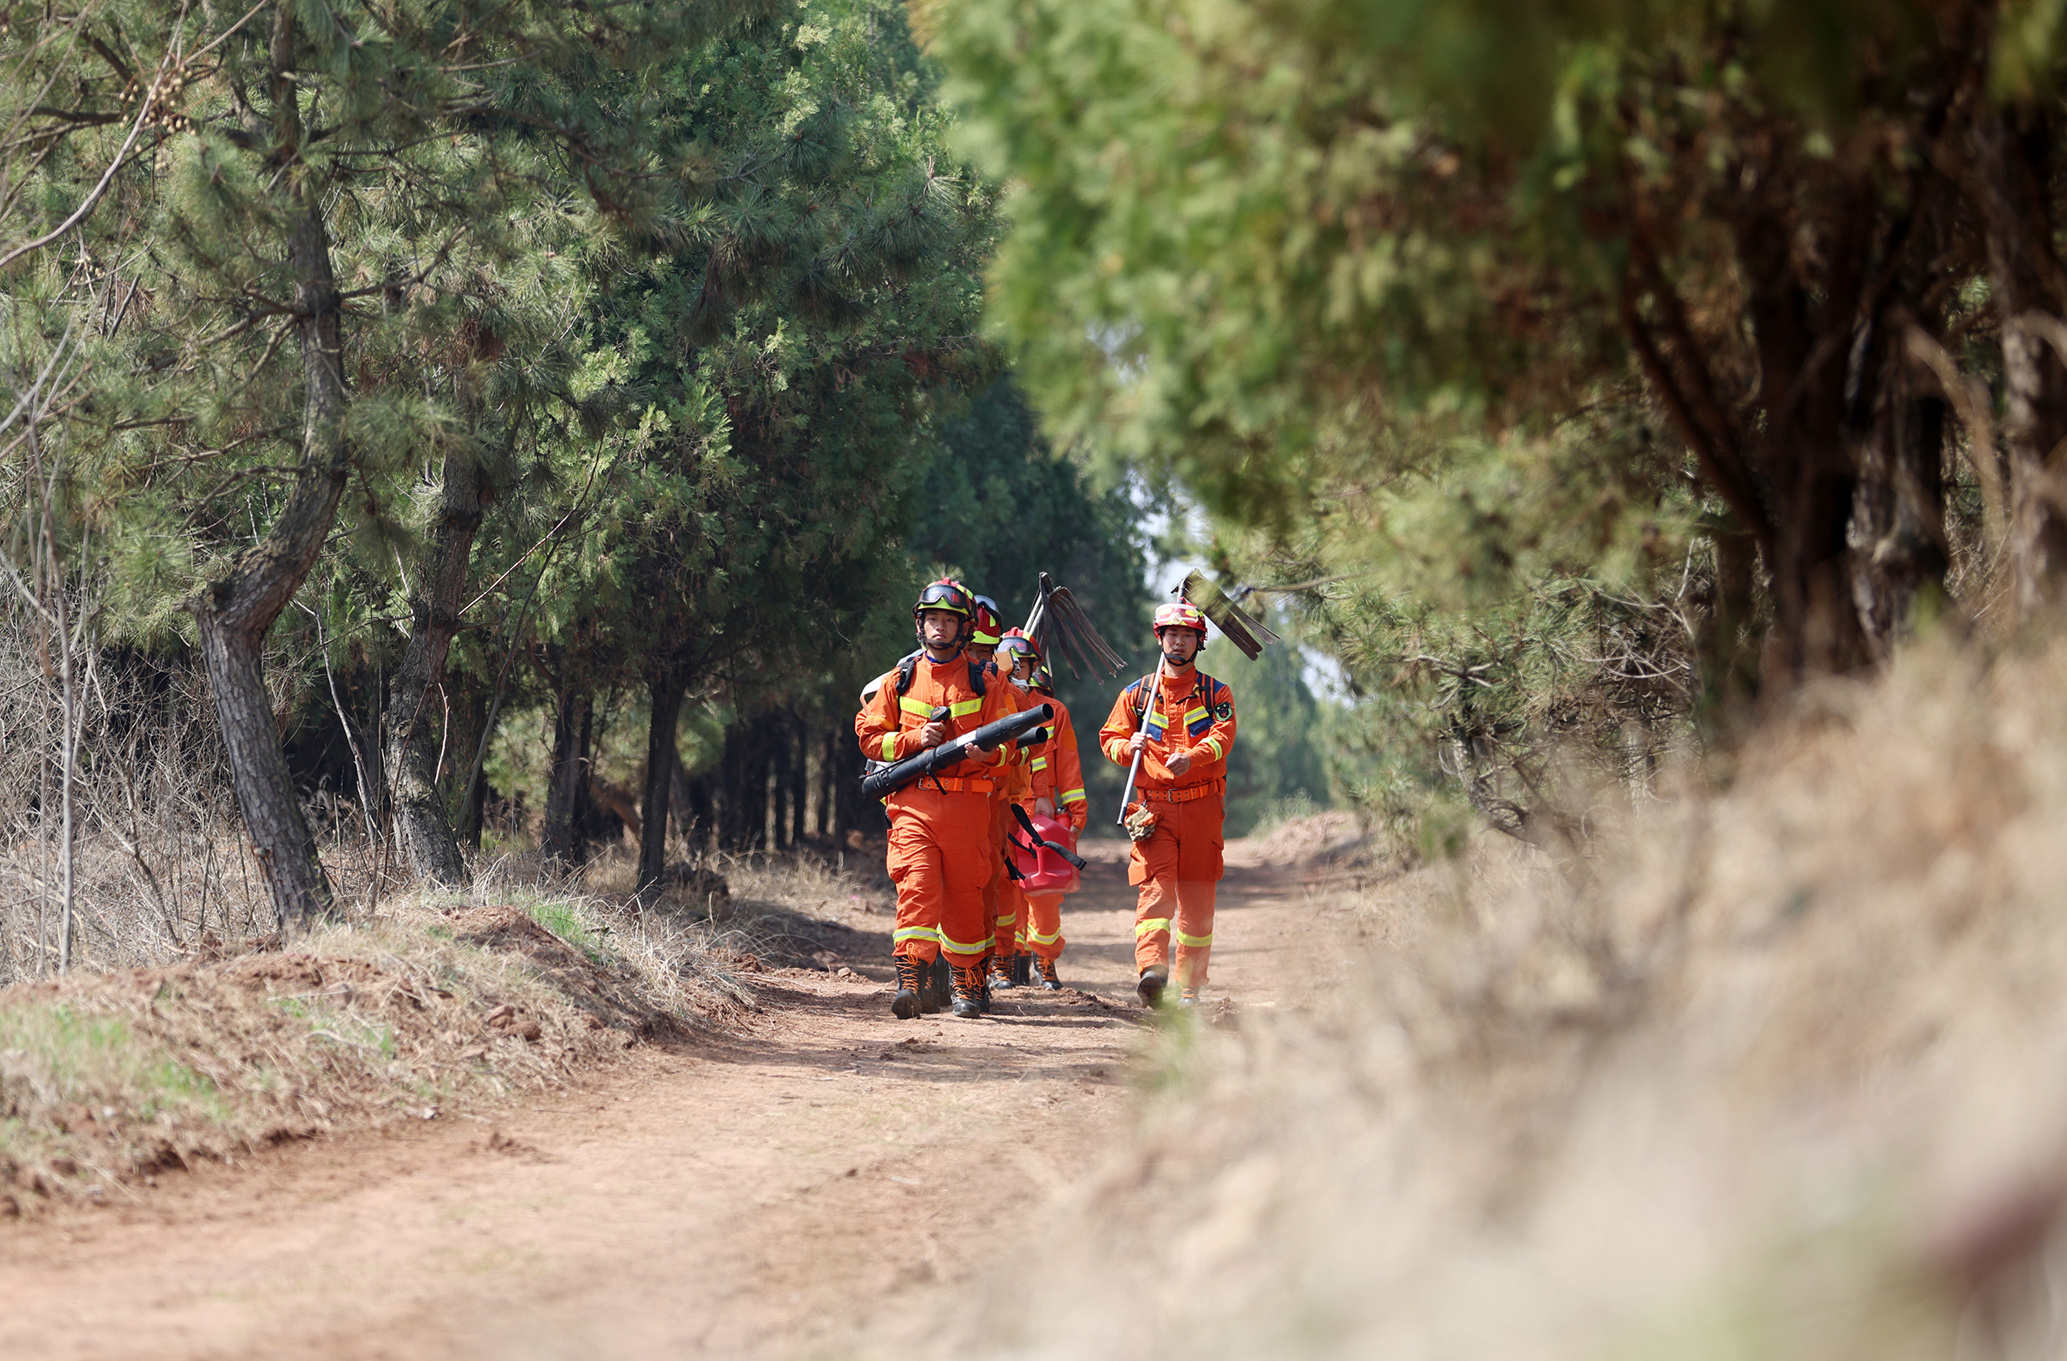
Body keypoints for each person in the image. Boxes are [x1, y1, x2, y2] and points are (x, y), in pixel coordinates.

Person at [855, 579, 1024, 1019]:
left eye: (949, 620)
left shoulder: (986, 681)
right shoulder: (900, 679)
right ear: (920, 623)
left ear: (963, 628)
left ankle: (968, 985)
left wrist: (990, 754)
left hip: (969, 808)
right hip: (913, 805)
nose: (940, 627)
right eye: (933, 618)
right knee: (917, 887)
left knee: (966, 899)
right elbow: (870, 737)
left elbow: (1010, 747)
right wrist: (914, 740)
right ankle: (910, 982)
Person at [1098, 602, 1236, 1008]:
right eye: (1171, 634)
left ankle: (1189, 986)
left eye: (1187, 635)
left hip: (1201, 809)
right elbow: (1109, 739)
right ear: (1160, 638)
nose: (1179, 641)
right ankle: (1152, 972)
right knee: (1155, 893)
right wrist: (1129, 747)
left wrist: (1193, 757)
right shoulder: (1137, 694)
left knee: (1197, 899)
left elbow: (1223, 736)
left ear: (1199, 642)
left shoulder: (1215, 693)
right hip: (1153, 811)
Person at [998, 630, 1085, 990]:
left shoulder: (1053, 711)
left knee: (1045, 892)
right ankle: (1007, 963)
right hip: (1001, 807)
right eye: (1011, 664)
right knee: (1005, 890)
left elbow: (1068, 766)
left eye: (1024, 664)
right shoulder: (991, 703)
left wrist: (1076, 813)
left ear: (1035, 667)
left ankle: (1044, 961)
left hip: (1040, 815)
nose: (1018, 670)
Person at [963, 595, 1037, 998]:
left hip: (993, 803)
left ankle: (986, 968)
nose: (977, 659)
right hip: (938, 803)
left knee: (990, 884)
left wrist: (998, 755)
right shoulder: (919, 677)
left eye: (985, 652)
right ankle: (932, 971)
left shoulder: (1010, 694)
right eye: (971, 649)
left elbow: (1028, 750)